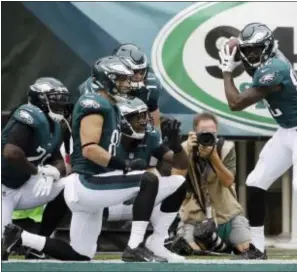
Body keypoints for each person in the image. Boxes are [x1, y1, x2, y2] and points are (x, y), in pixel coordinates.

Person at [2, 56, 165, 262]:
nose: (127, 83)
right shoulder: (91, 103)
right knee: (148, 180)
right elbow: (88, 149)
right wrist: (124, 164)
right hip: (80, 182)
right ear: (106, 79)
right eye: (121, 79)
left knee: (81, 258)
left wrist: (53, 171)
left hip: (48, 186)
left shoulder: (59, 123)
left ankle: (25, 239)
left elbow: (57, 158)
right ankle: (134, 246)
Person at [218, 22, 297, 259]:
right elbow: (250, 63)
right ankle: (257, 247)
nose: (250, 55)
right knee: (255, 182)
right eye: (247, 50)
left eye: (255, 50)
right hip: (286, 130)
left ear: (266, 48)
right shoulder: (267, 59)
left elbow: (235, 103)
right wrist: (238, 57)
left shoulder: (274, 68)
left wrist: (226, 70)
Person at [103, 97, 188, 261]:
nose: (143, 121)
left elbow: (181, 164)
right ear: (123, 120)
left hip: (139, 201)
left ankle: (154, 242)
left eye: (144, 116)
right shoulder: (106, 137)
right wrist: (125, 166)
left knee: (178, 183)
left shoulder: (149, 137)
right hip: (105, 203)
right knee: (83, 251)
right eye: (138, 117)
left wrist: (177, 147)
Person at [1, 77, 70, 258]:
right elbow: (11, 153)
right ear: (40, 99)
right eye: (55, 99)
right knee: (2, 247)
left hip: (21, 187)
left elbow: (60, 161)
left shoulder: (54, 125)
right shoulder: (27, 118)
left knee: (70, 185)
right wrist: (37, 171)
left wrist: (53, 172)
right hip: (3, 188)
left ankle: (38, 244)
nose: (60, 104)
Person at [176, 112, 255, 258]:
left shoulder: (225, 148)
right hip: (195, 216)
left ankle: (222, 245)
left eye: (212, 133)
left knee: (246, 249)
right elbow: (175, 179)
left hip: (227, 214)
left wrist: (214, 157)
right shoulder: (184, 148)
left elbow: (228, 181)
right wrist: (185, 151)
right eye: (203, 133)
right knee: (190, 250)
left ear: (217, 132)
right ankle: (218, 246)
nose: (208, 137)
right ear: (194, 133)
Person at [79, 43, 161, 127]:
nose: (138, 76)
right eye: (134, 71)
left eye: (142, 72)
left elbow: (154, 126)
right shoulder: (98, 85)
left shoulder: (150, 86)